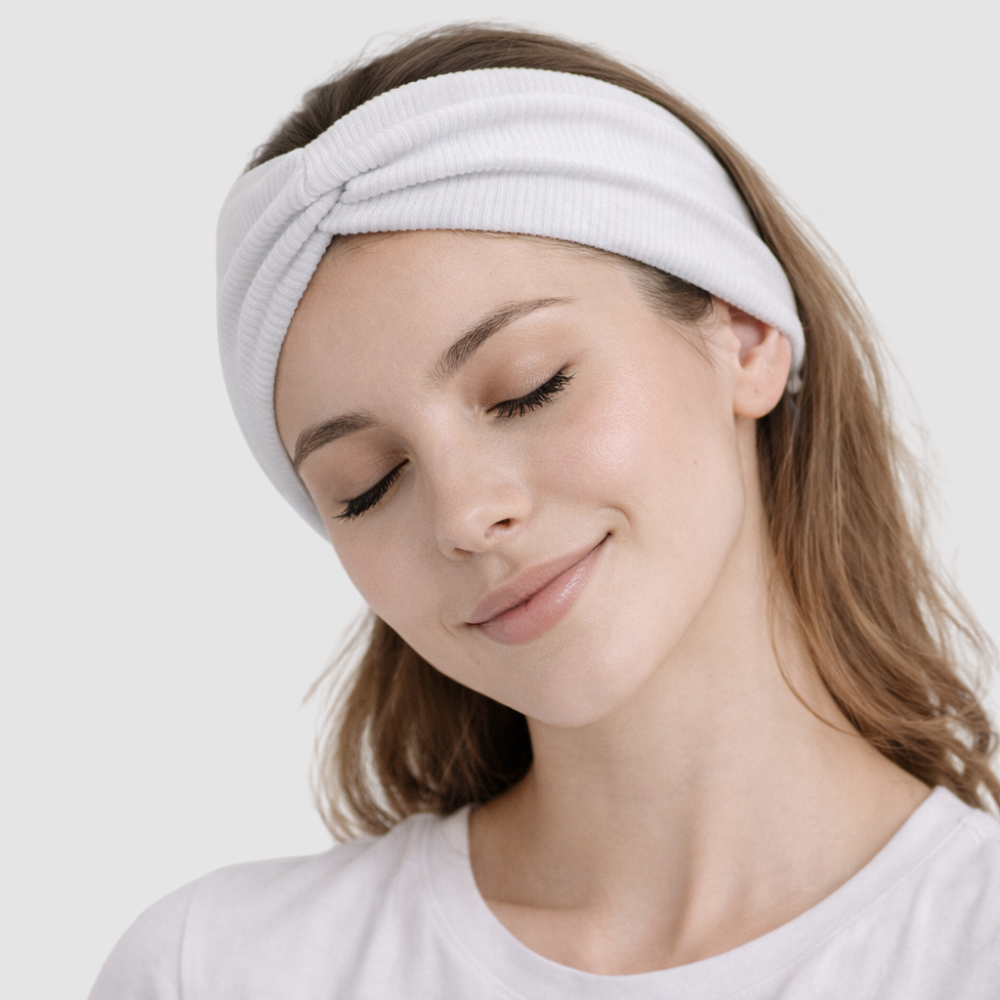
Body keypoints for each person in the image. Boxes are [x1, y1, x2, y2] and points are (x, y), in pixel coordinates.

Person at [89, 23, 1000, 999]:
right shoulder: (214, 970)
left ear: (742, 333)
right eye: (369, 484)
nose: (464, 515)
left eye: (530, 388)